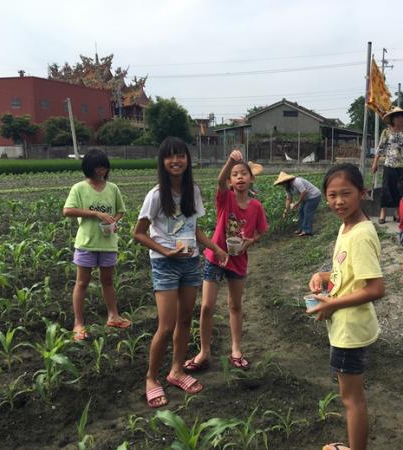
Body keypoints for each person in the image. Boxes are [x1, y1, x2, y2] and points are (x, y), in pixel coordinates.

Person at [133, 137, 228, 409]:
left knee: (186, 318)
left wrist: (215, 248)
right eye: (170, 157)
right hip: (165, 263)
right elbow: (138, 233)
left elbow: (194, 230)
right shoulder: (155, 196)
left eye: (181, 156)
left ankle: (176, 370)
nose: (176, 161)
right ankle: (151, 378)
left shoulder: (193, 191)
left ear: (188, 160)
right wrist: (165, 252)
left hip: (190, 260)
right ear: (163, 162)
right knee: (166, 325)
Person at [307, 163, 385, 450]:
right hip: (346, 324)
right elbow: (347, 274)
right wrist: (322, 276)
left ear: (362, 193)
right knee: (351, 396)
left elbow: (376, 288)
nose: (338, 201)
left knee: (352, 399)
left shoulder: (361, 235)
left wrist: (333, 303)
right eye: (332, 195)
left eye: (346, 194)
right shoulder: (347, 227)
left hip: (349, 330)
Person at [184, 149, 268, 373]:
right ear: (231, 181)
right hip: (215, 257)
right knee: (206, 306)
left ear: (251, 178)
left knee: (235, 304)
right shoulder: (226, 198)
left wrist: (250, 242)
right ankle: (204, 351)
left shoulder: (256, 206)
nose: (240, 177)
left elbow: (261, 231)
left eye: (244, 174)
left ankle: (236, 349)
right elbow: (219, 181)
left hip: (238, 260)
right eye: (235, 174)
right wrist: (231, 160)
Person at [63, 148, 131, 341]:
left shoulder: (113, 188)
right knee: (82, 282)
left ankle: (113, 316)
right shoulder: (79, 188)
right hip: (87, 242)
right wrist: (95, 213)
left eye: (103, 167)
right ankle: (78, 323)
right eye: (97, 168)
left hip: (108, 242)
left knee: (108, 281)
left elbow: (120, 211)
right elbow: (67, 210)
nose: (101, 171)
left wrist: (114, 221)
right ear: (88, 168)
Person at [371, 106, 403, 224]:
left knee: (402, 190)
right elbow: (380, 148)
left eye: (402, 117)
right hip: (390, 165)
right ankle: (383, 213)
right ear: (392, 119)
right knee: (387, 189)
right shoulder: (386, 132)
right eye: (397, 117)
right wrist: (375, 163)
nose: (400, 119)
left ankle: (398, 213)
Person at [273, 171, 322, 236]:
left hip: (314, 195)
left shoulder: (297, 182)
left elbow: (304, 192)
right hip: (306, 198)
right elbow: (288, 199)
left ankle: (307, 231)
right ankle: (301, 228)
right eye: (281, 184)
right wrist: (286, 210)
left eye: (282, 183)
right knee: (301, 211)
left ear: (286, 181)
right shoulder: (288, 188)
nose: (282, 185)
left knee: (307, 211)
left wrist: (297, 203)